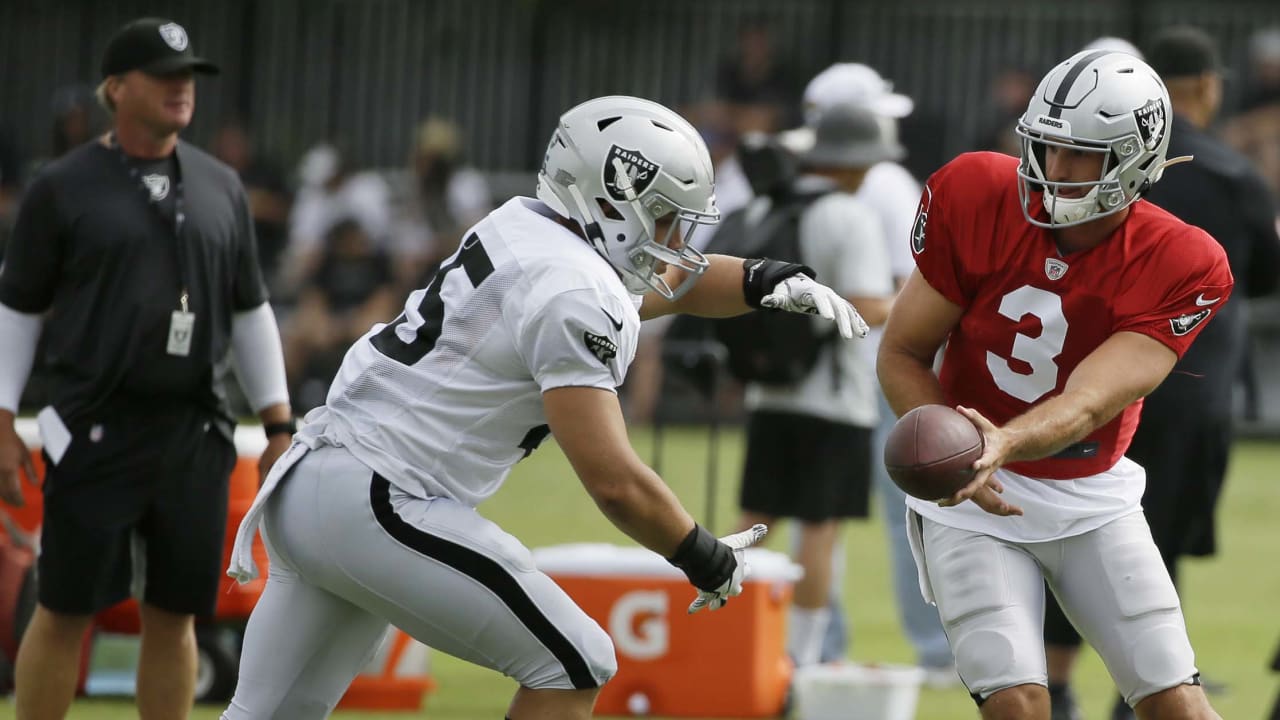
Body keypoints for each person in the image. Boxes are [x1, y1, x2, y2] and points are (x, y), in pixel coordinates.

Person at [219, 95, 868, 720]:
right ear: (615, 199)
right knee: (577, 662)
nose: (675, 238)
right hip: (383, 501)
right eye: (665, 215)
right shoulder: (573, 288)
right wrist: (700, 553)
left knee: (267, 714)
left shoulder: (527, 226)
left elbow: (664, 287)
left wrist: (762, 280)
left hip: (315, 487)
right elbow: (613, 481)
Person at [878, 49, 1230, 720]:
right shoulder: (976, 193)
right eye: (1046, 147)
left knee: (1175, 703)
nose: (1054, 171)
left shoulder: (1184, 259)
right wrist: (954, 459)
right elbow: (901, 351)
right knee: (1016, 703)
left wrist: (998, 444)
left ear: (1134, 157)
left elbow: (1089, 401)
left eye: (1081, 155)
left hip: (1090, 492)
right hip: (971, 492)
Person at [0, 17, 294, 720]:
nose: (181, 89)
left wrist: (279, 419)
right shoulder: (63, 187)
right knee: (65, 608)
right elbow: (16, 309)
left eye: (188, 76)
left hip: (194, 431)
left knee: (175, 615)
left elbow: (251, 309)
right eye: (164, 76)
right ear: (116, 88)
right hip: (95, 427)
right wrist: (3, 418)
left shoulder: (223, 186)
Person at [1042, 26, 1280, 720]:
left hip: (1084, 387)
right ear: (1206, 87)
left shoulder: (1088, 163)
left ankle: (1054, 687)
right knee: (1155, 545)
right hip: (1189, 393)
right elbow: (1263, 280)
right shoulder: (1234, 176)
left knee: (1069, 535)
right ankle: (1142, 692)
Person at [788, 62, 955, 678]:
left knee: (810, 516)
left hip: (814, 376)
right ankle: (938, 653)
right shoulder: (885, 181)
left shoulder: (796, 181)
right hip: (882, 374)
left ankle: (815, 647)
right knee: (912, 517)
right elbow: (910, 287)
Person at [732, 102, 895, 669]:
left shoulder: (768, 203)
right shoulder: (849, 216)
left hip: (769, 391)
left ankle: (712, 630)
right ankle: (802, 659)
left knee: (752, 522)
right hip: (835, 398)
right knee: (820, 530)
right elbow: (868, 304)